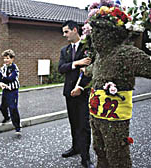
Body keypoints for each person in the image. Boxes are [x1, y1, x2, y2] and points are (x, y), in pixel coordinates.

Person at [81, 1, 151, 167]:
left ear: (112, 33)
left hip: (115, 117)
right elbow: (93, 70)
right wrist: (85, 70)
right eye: (94, 31)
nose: (95, 36)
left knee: (117, 154)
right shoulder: (100, 57)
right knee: (99, 150)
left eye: (99, 31)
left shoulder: (125, 53)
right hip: (96, 114)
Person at [58, 20, 94, 168]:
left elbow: (91, 70)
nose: (64, 34)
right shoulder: (64, 50)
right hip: (69, 93)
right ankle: (76, 148)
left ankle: (85, 158)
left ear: (74, 30)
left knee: (84, 125)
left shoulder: (88, 47)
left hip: (83, 92)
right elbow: (61, 68)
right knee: (73, 122)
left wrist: (82, 87)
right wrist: (76, 63)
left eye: (66, 31)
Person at [0, 49, 21, 135]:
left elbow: (11, 78)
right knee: (2, 107)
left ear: (12, 59)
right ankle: (6, 117)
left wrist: (5, 79)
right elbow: (0, 79)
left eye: (8, 58)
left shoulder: (15, 68)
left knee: (13, 108)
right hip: (5, 91)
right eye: (4, 58)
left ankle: (17, 127)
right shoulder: (2, 68)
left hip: (13, 91)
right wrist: (5, 79)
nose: (6, 60)